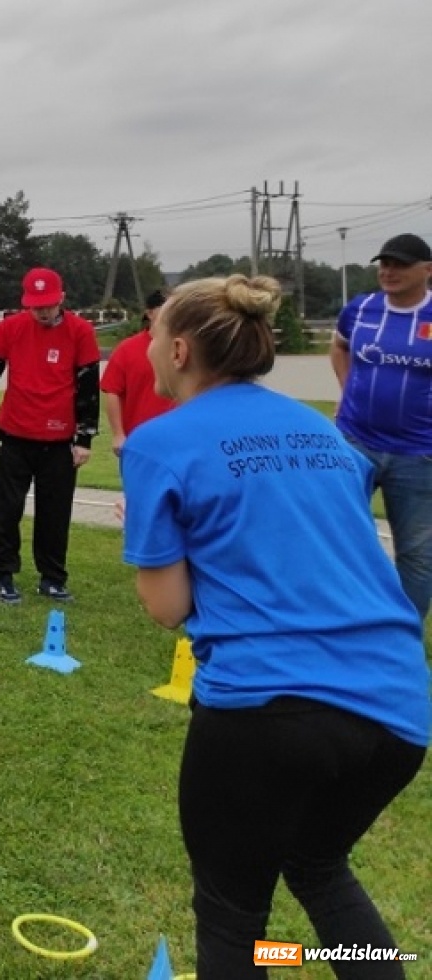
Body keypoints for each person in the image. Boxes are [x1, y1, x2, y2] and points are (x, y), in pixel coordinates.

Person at [122, 274, 429, 979]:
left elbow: (167, 606)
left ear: (177, 350)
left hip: (269, 712)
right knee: (318, 868)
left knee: (233, 921)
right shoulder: (324, 432)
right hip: (396, 709)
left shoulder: (160, 442)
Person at [0, 268, 99, 604]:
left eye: (47, 305)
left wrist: (84, 438)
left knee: (55, 510)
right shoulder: (12, 327)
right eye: (36, 306)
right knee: (8, 508)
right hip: (15, 433)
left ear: (61, 299)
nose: (42, 311)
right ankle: (3, 575)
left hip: (60, 438)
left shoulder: (80, 331)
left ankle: (52, 577)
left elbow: (88, 388)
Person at [330, 232, 432, 621]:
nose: (389, 271)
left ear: (427, 270)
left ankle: (402, 631)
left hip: (420, 454)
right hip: (357, 442)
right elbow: (339, 346)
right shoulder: (361, 309)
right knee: (342, 537)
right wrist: (347, 390)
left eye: (400, 264)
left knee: (418, 554)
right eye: (384, 264)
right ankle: (347, 619)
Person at [101, 289, 175, 456]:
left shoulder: (186, 348)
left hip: (178, 439)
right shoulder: (127, 349)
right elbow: (112, 392)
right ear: (149, 313)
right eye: (166, 308)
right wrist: (118, 434)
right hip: (138, 440)